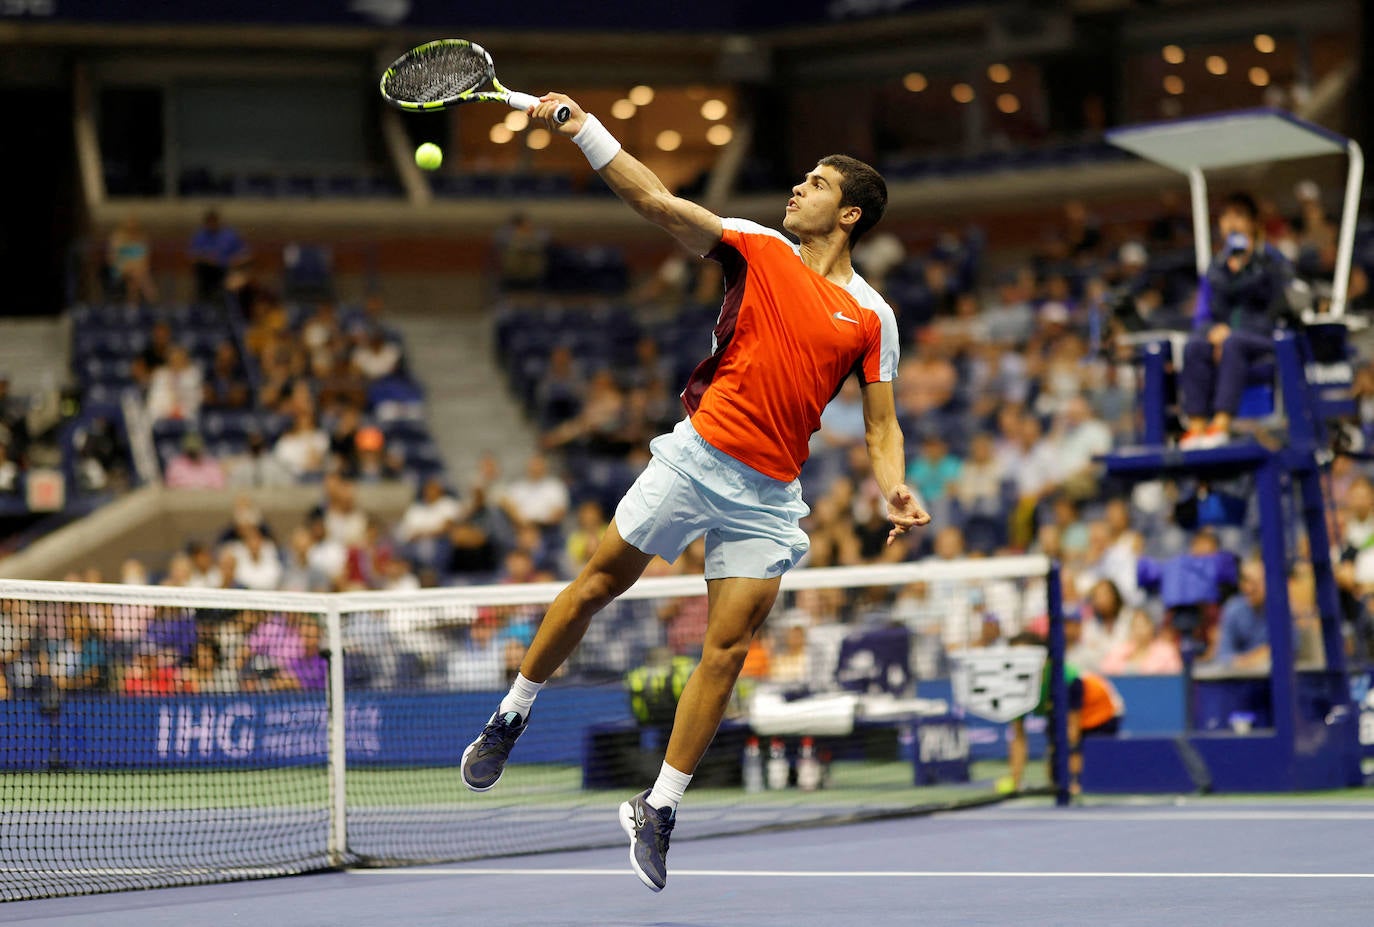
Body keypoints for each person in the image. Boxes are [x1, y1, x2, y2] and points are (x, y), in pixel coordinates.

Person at [459, 92, 927, 893]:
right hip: (697, 456)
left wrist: (894, 486)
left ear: (847, 213)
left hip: (770, 491)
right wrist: (585, 129)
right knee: (600, 581)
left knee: (728, 649)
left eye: (814, 183)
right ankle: (512, 710)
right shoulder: (755, 246)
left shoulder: (872, 314)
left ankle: (660, 805)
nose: (797, 188)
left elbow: (882, 424)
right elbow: (654, 200)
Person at [1179, 192, 1296, 449]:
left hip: (1263, 338)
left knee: (1233, 342)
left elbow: (1281, 305)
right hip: (1226, 337)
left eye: (1239, 216)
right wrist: (1212, 332)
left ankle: (1221, 421)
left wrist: (1249, 267)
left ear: (1254, 222)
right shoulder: (1215, 268)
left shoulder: (1271, 260)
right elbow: (1203, 315)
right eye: (1226, 217)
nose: (1232, 223)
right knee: (1195, 346)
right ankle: (1197, 425)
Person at [1007, 632, 1124, 796]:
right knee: (1055, 775)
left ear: (1042, 658)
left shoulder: (1064, 677)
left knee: (1086, 773)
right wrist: (1015, 781)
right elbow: (1018, 737)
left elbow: (1073, 731)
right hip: (1063, 713)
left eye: (1024, 656)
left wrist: (1073, 780)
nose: (1019, 662)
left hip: (1103, 711)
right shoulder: (1013, 686)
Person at [189, 209, 248, 301]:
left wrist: (234, 261)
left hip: (229, 270)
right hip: (207, 273)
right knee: (204, 274)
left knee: (236, 283)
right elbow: (193, 256)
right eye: (209, 222)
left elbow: (245, 255)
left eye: (214, 221)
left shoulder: (230, 235)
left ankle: (231, 307)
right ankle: (206, 304)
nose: (212, 224)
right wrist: (208, 259)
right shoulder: (200, 236)